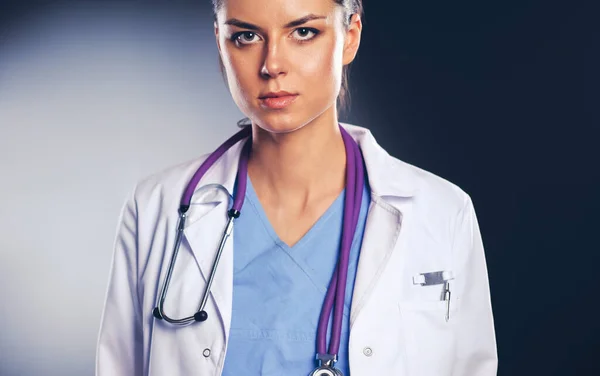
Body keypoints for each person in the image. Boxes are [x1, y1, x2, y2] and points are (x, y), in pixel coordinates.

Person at [96, 0, 498, 375]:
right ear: (219, 42)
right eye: (246, 36)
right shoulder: (155, 209)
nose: (273, 64)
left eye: (303, 32)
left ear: (350, 36)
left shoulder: (441, 211)